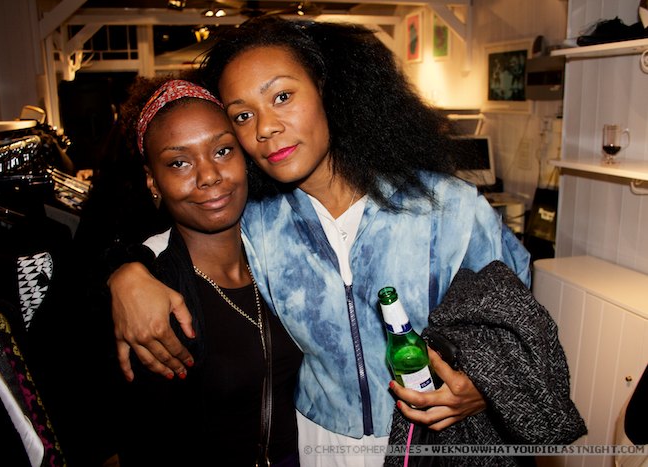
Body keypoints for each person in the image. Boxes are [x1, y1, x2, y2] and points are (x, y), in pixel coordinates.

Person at [108, 17, 531, 467]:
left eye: (282, 96)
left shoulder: (448, 209)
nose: (266, 128)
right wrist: (125, 272)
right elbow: (171, 240)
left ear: (327, 90)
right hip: (317, 446)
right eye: (243, 115)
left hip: (435, 444)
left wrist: (487, 385)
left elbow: (518, 318)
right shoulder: (257, 222)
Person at [112, 76, 302, 466]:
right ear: (153, 181)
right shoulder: (154, 297)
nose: (209, 176)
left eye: (222, 151)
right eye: (179, 162)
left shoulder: (287, 250)